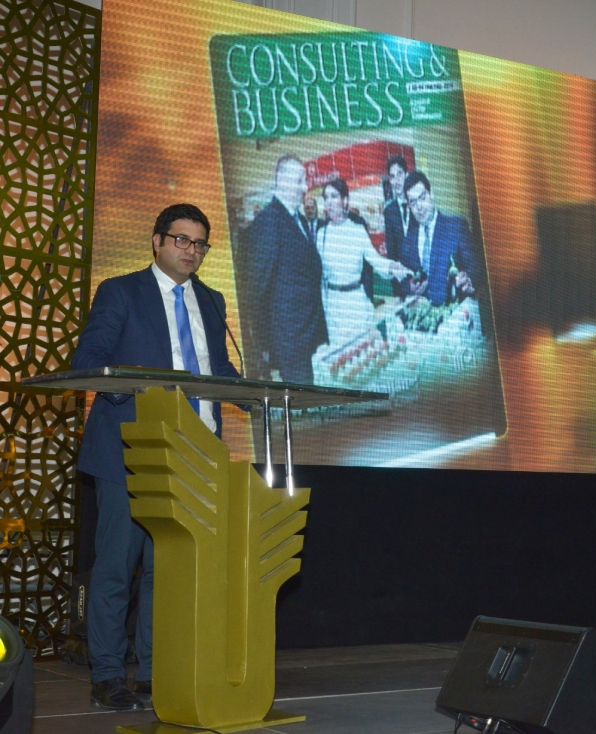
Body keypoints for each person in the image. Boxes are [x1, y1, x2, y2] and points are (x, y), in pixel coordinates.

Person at [71, 204, 240, 710]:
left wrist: (260, 392)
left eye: (199, 244)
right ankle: (107, 674)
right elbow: (89, 360)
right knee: (116, 569)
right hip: (130, 450)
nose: (191, 251)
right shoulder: (121, 291)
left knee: (166, 571)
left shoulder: (211, 300)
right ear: (157, 241)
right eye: (182, 240)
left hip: (193, 454)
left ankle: (152, 672)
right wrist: (138, 389)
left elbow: (217, 368)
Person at [246, 155, 327, 382]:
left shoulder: (298, 218)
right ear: (281, 180)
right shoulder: (268, 222)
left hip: (311, 333)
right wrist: (267, 345)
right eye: (300, 180)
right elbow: (257, 291)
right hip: (291, 342)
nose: (305, 187)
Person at [316, 178, 411, 346]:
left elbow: (375, 260)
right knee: (341, 355)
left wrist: (393, 267)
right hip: (333, 308)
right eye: (326, 197)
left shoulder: (357, 230)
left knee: (363, 350)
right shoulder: (321, 235)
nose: (329, 202)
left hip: (356, 303)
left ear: (345, 200)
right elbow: (320, 276)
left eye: (334, 196)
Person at [396, 171, 477, 306]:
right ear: (409, 206)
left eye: (422, 198)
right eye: (413, 203)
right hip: (425, 314)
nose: (419, 207)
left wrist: (468, 279)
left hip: (456, 311)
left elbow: (476, 268)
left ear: (431, 193)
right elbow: (402, 280)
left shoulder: (456, 227)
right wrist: (409, 287)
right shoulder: (408, 240)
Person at [383, 155, 417, 260]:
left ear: (406, 175)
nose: (396, 181)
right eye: (392, 177)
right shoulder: (389, 211)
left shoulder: (416, 202)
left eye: (399, 174)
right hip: (402, 267)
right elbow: (391, 248)